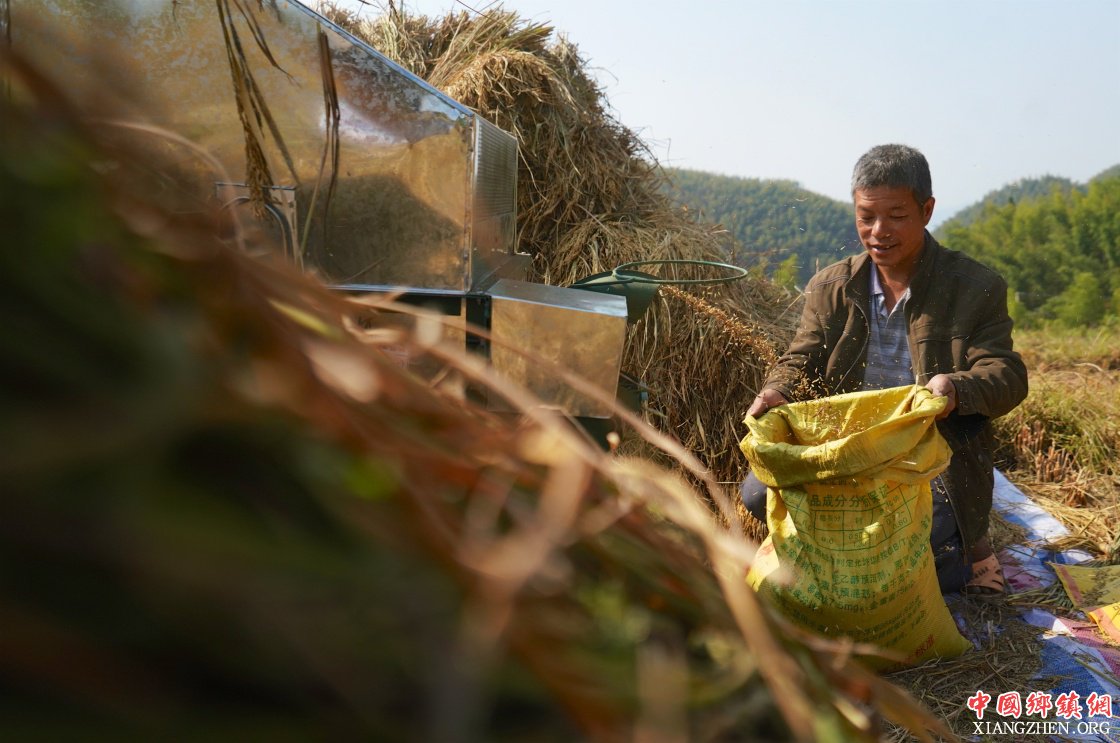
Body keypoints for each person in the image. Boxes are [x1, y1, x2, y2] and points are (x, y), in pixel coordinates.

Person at [741, 144, 1028, 594]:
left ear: (926, 210)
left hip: (928, 456)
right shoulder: (831, 286)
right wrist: (778, 389)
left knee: (920, 536)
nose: (878, 231)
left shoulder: (975, 287)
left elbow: (1007, 374)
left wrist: (956, 388)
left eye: (896, 216)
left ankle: (968, 547)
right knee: (757, 493)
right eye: (866, 216)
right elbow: (802, 358)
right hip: (846, 446)